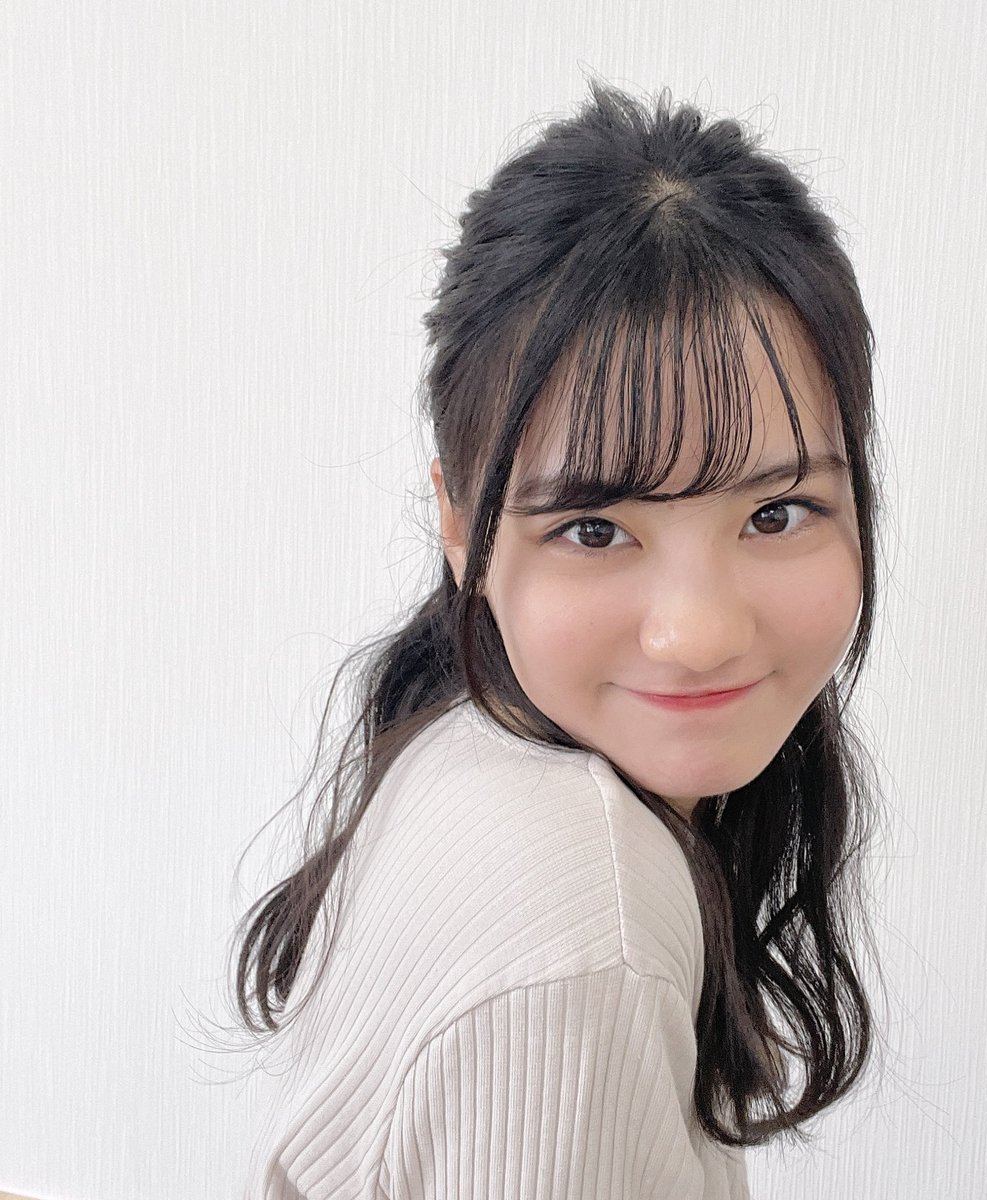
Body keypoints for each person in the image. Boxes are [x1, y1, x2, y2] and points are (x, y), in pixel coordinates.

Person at [233, 80, 884, 1199]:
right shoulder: (582, 930)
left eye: (777, 514)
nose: (697, 634)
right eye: (595, 529)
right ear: (461, 527)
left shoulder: (469, 737)